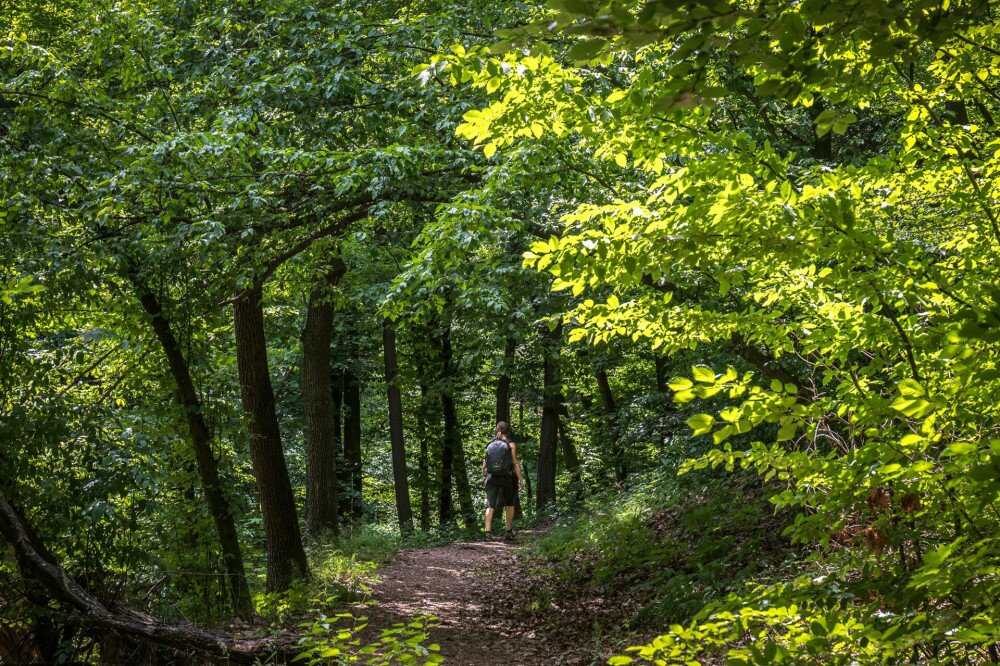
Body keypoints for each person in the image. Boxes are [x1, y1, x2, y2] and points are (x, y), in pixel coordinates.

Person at [482, 420, 524, 541]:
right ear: (508, 431)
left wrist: (485, 475)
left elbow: (485, 464)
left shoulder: (490, 444)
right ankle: (509, 532)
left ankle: (487, 533)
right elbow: (515, 463)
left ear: (497, 430)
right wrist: (521, 479)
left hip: (491, 478)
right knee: (509, 504)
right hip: (507, 478)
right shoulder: (511, 444)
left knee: (490, 505)